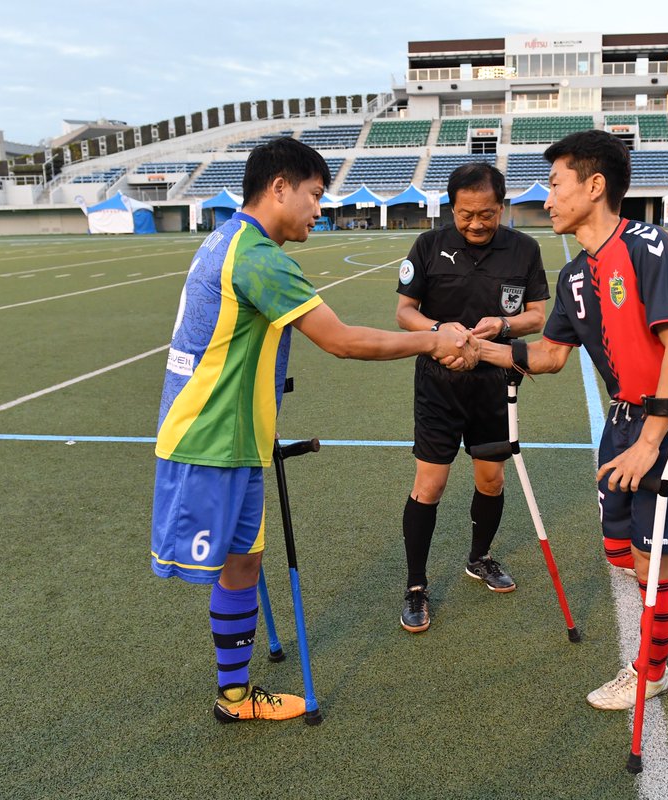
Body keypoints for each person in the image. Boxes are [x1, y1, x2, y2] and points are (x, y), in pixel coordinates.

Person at [151, 137, 477, 724]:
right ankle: (233, 697)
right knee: (234, 564)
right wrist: (434, 339)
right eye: (314, 195)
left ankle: (235, 697)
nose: (318, 209)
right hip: (212, 437)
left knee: (245, 563)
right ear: (279, 188)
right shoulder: (258, 257)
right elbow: (343, 341)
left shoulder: (229, 238)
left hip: (233, 434)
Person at [477, 130, 668, 709]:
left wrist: (650, 442)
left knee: (650, 559)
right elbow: (553, 356)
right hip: (622, 420)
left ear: (595, 185)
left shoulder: (647, 246)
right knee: (617, 546)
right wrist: (479, 348)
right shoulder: (574, 274)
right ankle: (647, 605)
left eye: (556, 184)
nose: (547, 197)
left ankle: (650, 670)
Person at [394, 162, 549, 633]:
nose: (476, 223)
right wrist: (442, 332)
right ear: (451, 208)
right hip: (438, 384)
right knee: (430, 485)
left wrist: (501, 326)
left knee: (490, 481)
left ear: (501, 207)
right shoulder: (428, 245)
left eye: (486, 214)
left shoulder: (524, 249)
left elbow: (537, 315)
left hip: (494, 385)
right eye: (465, 214)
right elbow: (405, 312)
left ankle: (479, 557)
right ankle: (416, 585)